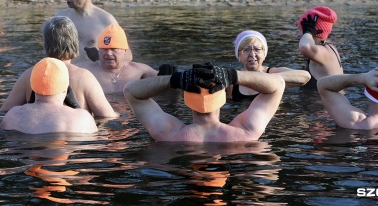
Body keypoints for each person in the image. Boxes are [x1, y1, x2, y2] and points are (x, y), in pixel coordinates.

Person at [124, 64, 285, 142]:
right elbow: (278, 84)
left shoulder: (167, 134)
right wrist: (233, 76)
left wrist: (176, 79)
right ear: (222, 100)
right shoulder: (247, 131)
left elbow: (130, 91)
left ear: (187, 102)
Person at [0, 16, 117, 117]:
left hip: (36, 140)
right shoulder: (84, 77)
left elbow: (4, 112)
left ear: (46, 44)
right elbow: (107, 116)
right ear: (74, 42)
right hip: (76, 138)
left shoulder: (29, 75)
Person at [0, 58, 98, 134]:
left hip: (30, 158)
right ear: (67, 89)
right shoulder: (83, 118)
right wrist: (76, 106)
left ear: (33, 86)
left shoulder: (12, 116)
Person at [55, 0, 119, 63]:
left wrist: (101, 59)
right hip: (66, 73)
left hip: (92, 74)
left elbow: (127, 55)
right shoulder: (60, 17)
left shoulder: (105, 20)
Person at [77, 23, 157, 94]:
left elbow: (165, 80)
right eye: (104, 49)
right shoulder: (85, 70)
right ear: (99, 50)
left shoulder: (140, 70)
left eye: (114, 49)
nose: (108, 53)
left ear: (125, 51)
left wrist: (166, 72)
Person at [231, 30, 310, 101]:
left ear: (264, 53)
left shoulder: (271, 72)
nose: (252, 54)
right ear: (239, 55)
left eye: (257, 49)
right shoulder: (232, 83)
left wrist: (270, 79)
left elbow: (305, 76)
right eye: (246, 50)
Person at [296, 6, 342, 87]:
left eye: (301, 30)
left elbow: (304, 47)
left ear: (313, 31)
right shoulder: (330, 48)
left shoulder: (323, 52)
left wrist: (308, 32)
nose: (298, 35)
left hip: (320, 99)